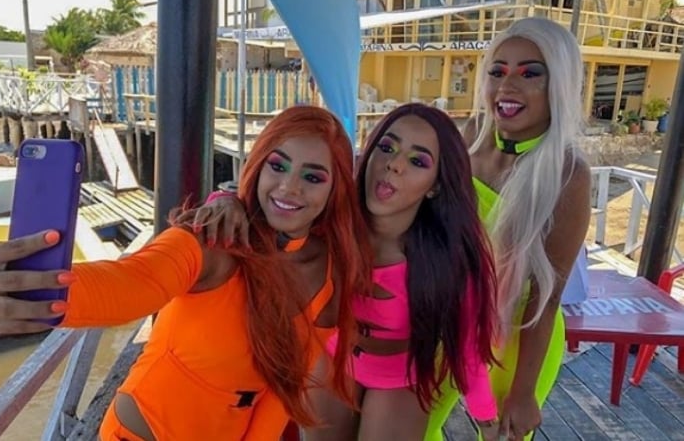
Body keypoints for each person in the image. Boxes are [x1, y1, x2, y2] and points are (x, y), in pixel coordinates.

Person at [0, 106, 371, 441]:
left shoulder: (329, 275)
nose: (289, 187)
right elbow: (134, 282)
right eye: (278, 165)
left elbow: (279, 394)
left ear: (335, 189)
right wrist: (32, 294)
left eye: (313, 177)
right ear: (258, 164)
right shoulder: (215, 240)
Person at [198, 103, 500, 441]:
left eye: (417, 161)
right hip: (332, 357)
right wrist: (223, 200)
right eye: (387, 147)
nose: (394, 164)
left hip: (399, 376)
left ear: (436, 185)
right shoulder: (331, 218)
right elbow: (267, 211)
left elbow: (468, 347)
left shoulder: (450, 257)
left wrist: (487, 420)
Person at [425, 17, 592, 440]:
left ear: (559, 85)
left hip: (518, 332)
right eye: (497, 72)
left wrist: (524, 391)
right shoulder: (467, 138)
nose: (507, 85)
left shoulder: (568, 173)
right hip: (449, 317)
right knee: (412, 428)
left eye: (530, 73)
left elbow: (546, 297)